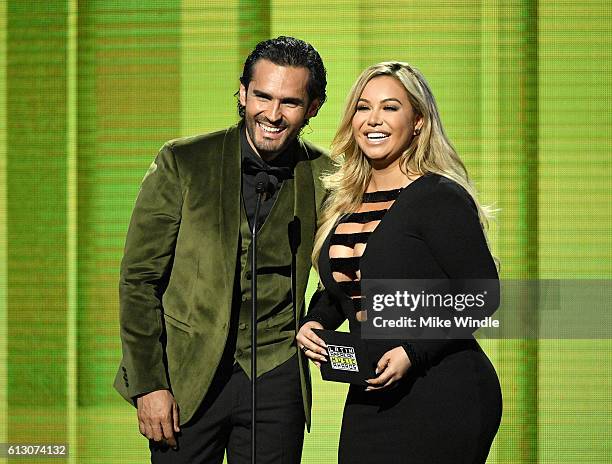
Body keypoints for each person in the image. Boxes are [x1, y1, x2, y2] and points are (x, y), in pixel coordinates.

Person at [114, 36, 331, 463]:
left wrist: (319, 320)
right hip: (185, 381)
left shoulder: (327, 176)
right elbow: (139, 280)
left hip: (276, 376)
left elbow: (344, 274)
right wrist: (148, 383)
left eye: (289, 101)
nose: (272, 113)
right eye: (262, 96)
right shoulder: (183, 162)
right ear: (243, 92)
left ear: (313, 107)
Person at [297, 61, 502, 463]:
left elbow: (483, 294)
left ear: (419, 121)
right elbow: (340, 288)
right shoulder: (342, 203)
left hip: (443, 392)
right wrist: (314, 322)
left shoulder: (438, 196)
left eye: (390, 107)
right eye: (362, 107)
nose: (373, 119)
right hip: (371, 390)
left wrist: (413, 350)